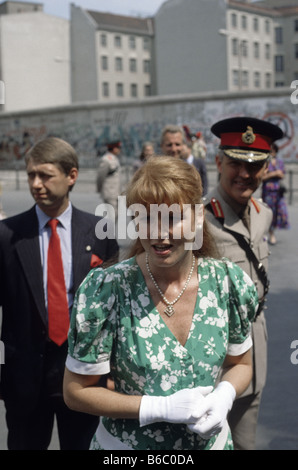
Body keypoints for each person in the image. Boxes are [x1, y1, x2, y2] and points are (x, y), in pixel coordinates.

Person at [63, 156, 259, 451]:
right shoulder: (108, 290)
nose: (158, 233)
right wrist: (156, 407)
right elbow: (76, 391)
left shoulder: (227, 283)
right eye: (146, 218)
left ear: (197, 217)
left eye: (172, 218)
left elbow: (241, 363)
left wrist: (225, 395)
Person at [0, 137, 119, 450]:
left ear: (72, 176)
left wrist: (114, 372)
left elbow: (115, 310)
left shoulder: (99, 231)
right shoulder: (7, 235)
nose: (37, 184)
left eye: (45, 175)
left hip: (84, 377)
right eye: (31, 176)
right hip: (25, 381)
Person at [204, 116, 283, 450]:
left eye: (255, 165)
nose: (245, 174)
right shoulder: (199, 220)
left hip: (254, 358)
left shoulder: (263, 213)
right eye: (236, 163)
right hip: (211, 366)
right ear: (219, 162)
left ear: (266, 168)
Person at [262, 143, 289, 245]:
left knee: (280, 212)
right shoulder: (265, 162)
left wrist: (276, 173)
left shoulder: (279, 162)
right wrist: (274, 173)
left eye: (273, 151)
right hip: (268, 192)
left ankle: (273, 232)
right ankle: (269, 233)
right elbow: (262, 177)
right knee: (269, 213)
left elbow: (282, 174)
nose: (272, 153)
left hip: (278, 192)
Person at [96, 140, 122, 218]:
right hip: (109, 191)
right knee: (112, 214)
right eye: (118, 148)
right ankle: (108, 230)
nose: (119, 150)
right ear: (114, 148)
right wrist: (99, 189)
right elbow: (100, 176)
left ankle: (110, 229)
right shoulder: (106, 160)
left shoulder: (114, 158)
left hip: (116, 191)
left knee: (116, 214)